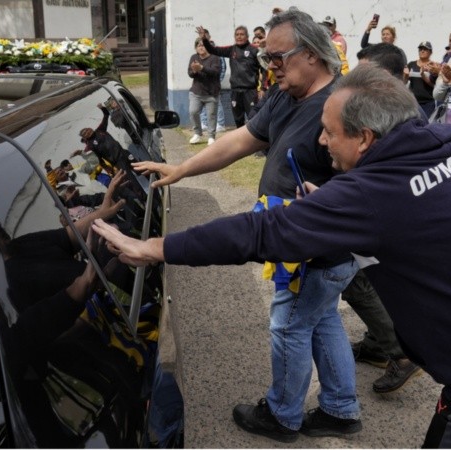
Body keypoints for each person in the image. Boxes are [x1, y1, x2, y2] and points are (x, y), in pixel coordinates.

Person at [93, 64, 451, 448]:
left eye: (330, 131)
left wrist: (158, 246)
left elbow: (263, 231)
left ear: (366, 138)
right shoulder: (444, 141)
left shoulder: (376, 193)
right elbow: (415, 217)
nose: (320, 140)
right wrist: (337, 211)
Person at [135, 9, 361, 443]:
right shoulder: (286, 93)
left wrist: (330, 205)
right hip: (299, 241)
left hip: (315, 246)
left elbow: (371, 178)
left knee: (290, 326)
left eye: (278, 58)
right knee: (322, 319)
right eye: (265, 59)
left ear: (313, 53)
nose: (269, 67)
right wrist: (182, 169)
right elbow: (241, 139)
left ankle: (282, 416)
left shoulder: (344, 104)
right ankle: (340, 408)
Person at [350, 42, 424, 393]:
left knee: (358, 281)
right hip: (377, 209)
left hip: (384, 214)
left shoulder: (404, 116)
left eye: (370, 75)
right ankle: (378, 346)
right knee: (370, 281)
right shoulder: (378, 107)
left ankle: (400, 353)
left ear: (397, 77)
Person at [200, 25, 262, 128]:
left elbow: (264, 69)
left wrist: (262, 88)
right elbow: (213, 50)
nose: (239, 37)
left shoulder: (254, 50)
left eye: (242, 34)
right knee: (238, 120)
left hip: (250, 91)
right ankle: (242, 142)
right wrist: (204, 39)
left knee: (253, 119)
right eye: (237, 35)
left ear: (247, 36)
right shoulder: (231, 50)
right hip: (235, 91)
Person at [188, 37, 222, 145]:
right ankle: (197, 133)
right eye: (199, 46)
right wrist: (194, 70)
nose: (201, 47)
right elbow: (190, 73)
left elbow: (215, 72)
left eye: (203, 45)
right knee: (193, 112)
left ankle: (211, 136)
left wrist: (201, 68)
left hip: (211, 93)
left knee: (211, 115)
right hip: (196, 91)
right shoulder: (194, 57)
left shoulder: (215, 58)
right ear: (196, 48)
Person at [77, 103, 126, 175]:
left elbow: (106, 115)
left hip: (123, 152)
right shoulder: (89, 146)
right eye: (85, 133)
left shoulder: (100, 130)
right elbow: (97, 159)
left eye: (87, 129)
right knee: (130, 178)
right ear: (84, 138)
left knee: (141, 167)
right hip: (117, 161)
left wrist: (102, 108)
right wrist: (106, 167)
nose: (87, 131)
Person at [199, 28, 227, 134]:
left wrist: (218, 80)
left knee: (217, 103)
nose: (203, 38)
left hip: (214, 83)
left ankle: (220, 124)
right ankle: (204, 123)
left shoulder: (216, 50)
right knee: (202, 101)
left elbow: (223, 67)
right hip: (203, 82)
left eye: (205, 36)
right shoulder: (200, 50)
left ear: (209, 37)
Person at [407, 41, 438, 117]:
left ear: (430, 52)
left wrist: (423, 75)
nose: (422, 51)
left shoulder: (433, 66)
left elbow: (435, 85)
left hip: (428, 103)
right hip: (413, 102)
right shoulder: (411, 64)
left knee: (425, 124)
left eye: (425, 49)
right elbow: (404, 81)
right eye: (420, 49)